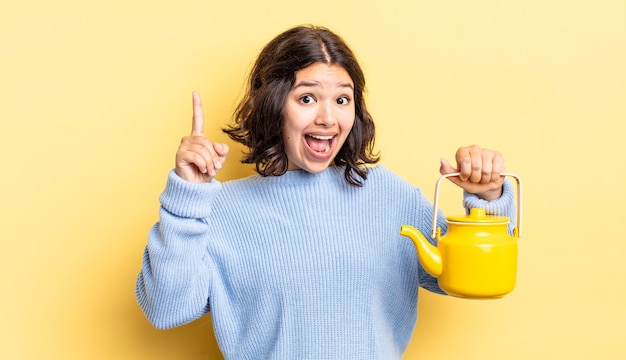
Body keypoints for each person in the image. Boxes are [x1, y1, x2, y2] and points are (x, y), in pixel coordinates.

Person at [136, 25, 515, 359]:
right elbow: (167, 309)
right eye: (306, 98)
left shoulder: (390, 196)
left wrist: (488, 197)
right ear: (273, 104)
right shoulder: (221, 208)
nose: (328, 118)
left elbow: (473, 279)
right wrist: (187, 198)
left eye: (342, 99)